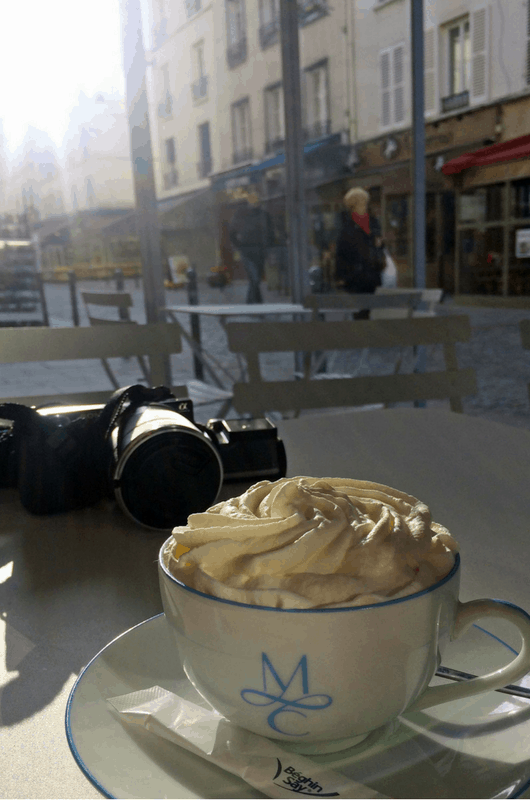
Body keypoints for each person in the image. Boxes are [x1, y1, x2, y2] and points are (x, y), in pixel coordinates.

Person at [334, 188, 385, 315]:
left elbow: (379, 245)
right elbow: (341, 253)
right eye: (361, 202)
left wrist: (379, 245)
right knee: (360, 313)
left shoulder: (373, 222)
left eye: (365, 202)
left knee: (372, 311)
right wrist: (340, 276)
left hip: (373, 273)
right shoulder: (346, 226)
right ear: (353, 205)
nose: (364, 205)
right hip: (355, 277)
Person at [229, 198, 274, 304]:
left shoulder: (261, 215)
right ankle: (254, 302)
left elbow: (270, 232)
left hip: (259, 251)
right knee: (254, 278)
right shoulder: (240, 216)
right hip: (247, 251)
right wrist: (239, 245)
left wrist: (268, 247)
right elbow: (232, 233)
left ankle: (254, 302)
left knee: (256, 278)